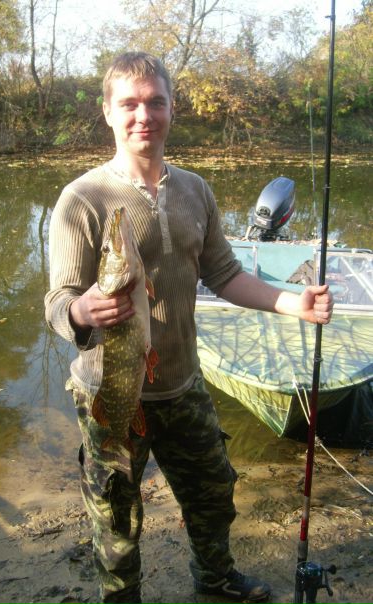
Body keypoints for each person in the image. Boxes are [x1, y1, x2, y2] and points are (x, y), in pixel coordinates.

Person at [45, 52, 333, 604]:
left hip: (182, 384)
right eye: (129, 104)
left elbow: (225, 274)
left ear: (172, 108)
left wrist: (293, 303)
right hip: (110, 393)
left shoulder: (195, 190)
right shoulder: (82, 199)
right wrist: (81, 312)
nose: (143, 115)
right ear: (108, 112)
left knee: (213, 493)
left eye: (155, 102)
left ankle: (215, 580)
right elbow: (57, 302)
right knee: (117, 515)